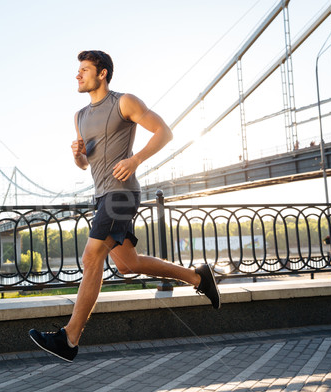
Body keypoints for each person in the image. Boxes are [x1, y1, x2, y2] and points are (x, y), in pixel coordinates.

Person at [29, 50, 220, 363]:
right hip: (102, 196)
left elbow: (165, 132)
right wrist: (77, 154)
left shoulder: (124, 102)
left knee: (91, 255)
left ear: (102, 73)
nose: (78, 75)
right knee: (127, 265)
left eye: (84, 70)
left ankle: (70, 337)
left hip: (122, 195)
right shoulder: (78, 116)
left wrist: (135, 159)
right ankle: (199, 278)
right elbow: (84, 164)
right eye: (78, 71)